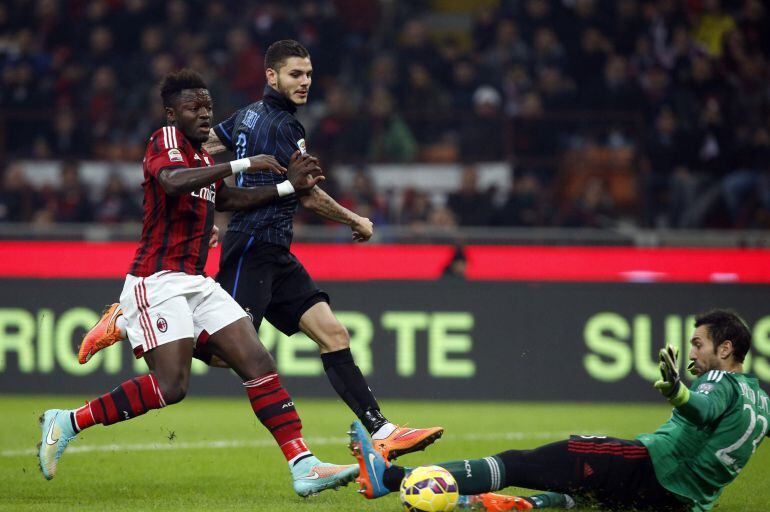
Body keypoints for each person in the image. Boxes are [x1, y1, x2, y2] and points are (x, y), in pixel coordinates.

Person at [78, 40, 443, 461]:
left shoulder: (247, 115)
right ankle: (126, 320)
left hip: (276, 249)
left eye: (308, 74)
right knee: (224, 356)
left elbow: (207, 145)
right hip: (251, 244)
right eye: (295, 75)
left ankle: (382, 431)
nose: (305, 82)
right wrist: (354, 219)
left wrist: (201, 212)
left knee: (333, 333)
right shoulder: (286, 127)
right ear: (272, 76)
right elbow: (306, 195)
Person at [38, 69, 362, 498]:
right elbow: (171, 183)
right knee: (172, 387)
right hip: (157, 281)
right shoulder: (166, 142)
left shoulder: (204, 159)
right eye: (194, 107)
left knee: (256, 362)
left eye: (208, 106)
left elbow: (225, 199)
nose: (205, 114)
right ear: (172, 114)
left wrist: (286, 187)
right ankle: (70, 419)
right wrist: (244, 162)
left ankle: (304, 465)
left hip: (197, 281)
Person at [349, 309, 770, 511]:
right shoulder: (763, 404)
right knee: (576, 501)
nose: (693, 352)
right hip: (682, 504)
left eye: (698, 344)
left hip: (647, 468)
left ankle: (392, 477)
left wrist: (679, 392)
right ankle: (488, 505)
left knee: (521, 463)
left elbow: (703, 409)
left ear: (726, 348)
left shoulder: (721, 381)